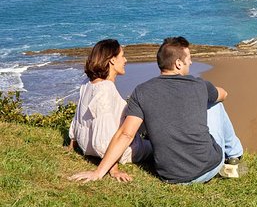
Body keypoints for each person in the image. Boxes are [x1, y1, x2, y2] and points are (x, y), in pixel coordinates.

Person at [69, 36, 243, 184]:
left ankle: (232, 153)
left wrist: (98, 173)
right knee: (215, 104)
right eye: (188, 58)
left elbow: (126, 134)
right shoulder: (198, 84)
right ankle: (235, 154)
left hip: (168, 175)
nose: (190, 61)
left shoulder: (142, 91)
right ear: (178, 64)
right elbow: (224, 94)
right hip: (207, 169)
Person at [68, 39, 152, 182]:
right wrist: (113, 170)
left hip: (86, 147)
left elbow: (78, 119)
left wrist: (72, 145)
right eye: (122, 56)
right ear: (112, 60)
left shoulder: (87, 84)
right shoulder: (106, 89)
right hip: (123, 150)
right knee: (158, 145)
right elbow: (105, 136)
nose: (125, 60)